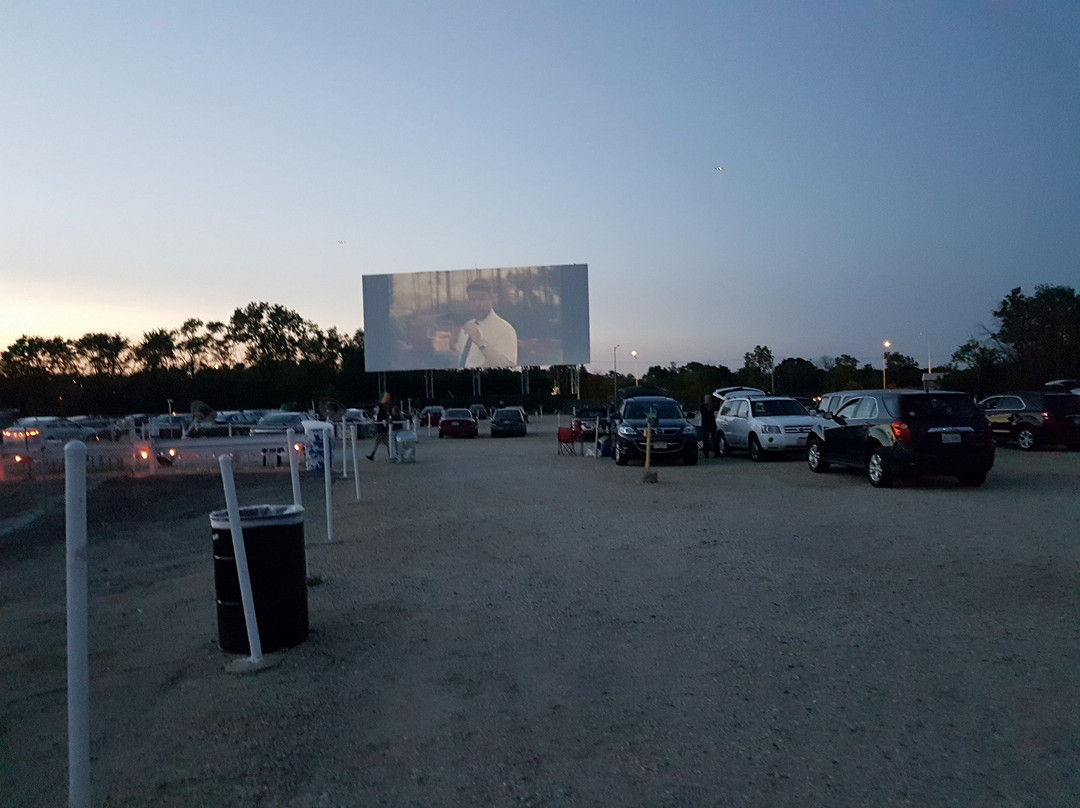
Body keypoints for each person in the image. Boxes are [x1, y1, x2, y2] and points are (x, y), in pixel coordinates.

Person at [454, 278, 518, 368]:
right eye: (472, 300)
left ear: (493, 299)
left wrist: (481, 344)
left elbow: (508, 367)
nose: (477, 304)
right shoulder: (467, 326)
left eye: (482, 299)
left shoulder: (505, 330)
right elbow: (461, 360)